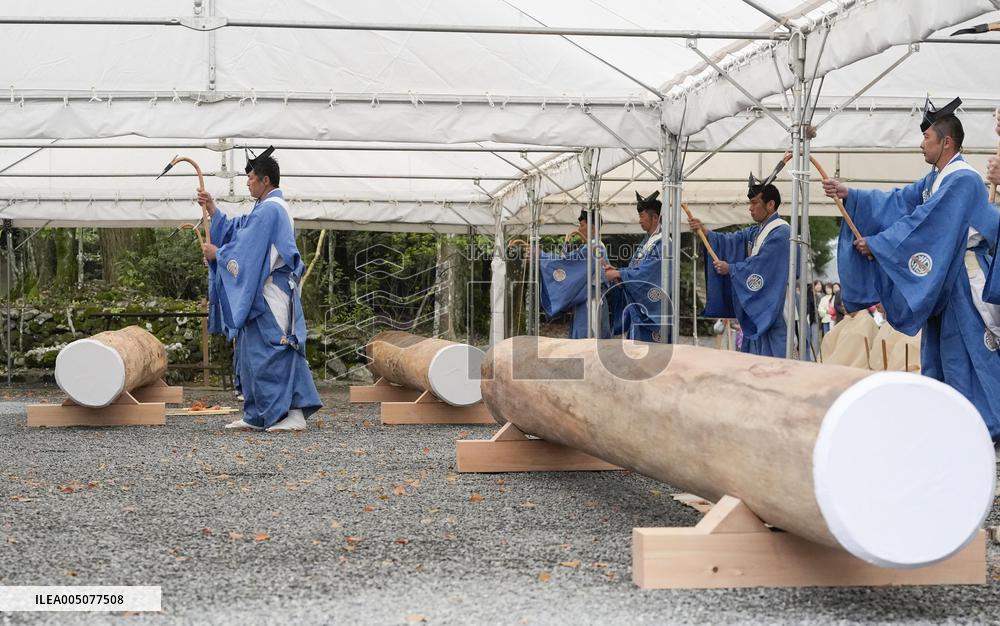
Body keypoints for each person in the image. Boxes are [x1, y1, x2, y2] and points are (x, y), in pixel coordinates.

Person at [822, 96, 1000, 440]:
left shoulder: (962, 179)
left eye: (926, 138)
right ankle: (950, 423)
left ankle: (983, 426)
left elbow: (925, 223)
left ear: (946, 142)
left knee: (968, 353)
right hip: (943, 280)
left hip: (963, 279)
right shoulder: (934, 180)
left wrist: (879, 244)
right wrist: (851, 195)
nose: (921, 144)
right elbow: (899, 202)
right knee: (940, 353)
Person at [198, 146, 322, 432]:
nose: (247, 183)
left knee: (277, 348)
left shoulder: (271, 210)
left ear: (266, 181)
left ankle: (295, 414)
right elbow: (241, 230)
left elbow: (246, 249)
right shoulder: (264, 209)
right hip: (262, 290)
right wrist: (213, 209)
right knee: (252, 353)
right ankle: (258, 414)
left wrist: (219, 255)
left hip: (271, 290)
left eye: (251, 178)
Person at [689, 176, 789, 357]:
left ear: (770, 205)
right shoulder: (757, 231)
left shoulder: (781, 233)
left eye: (755, 203)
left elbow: (762, 266)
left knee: (776, 362)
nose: (750, 208)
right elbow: (731, 240)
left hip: (776, 306)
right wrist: (705, 232)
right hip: (759, 308)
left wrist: (732, 269)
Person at [603, 191, 669, 342]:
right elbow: (634, 270)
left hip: (652, 311)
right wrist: (619, 276)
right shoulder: (647, 243)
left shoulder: (663, 243)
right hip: (638, 308)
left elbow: (647, 275)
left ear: (655, 217)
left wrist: (619, 274)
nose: (639, 221)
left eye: (642, 216)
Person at [538, 210, 611, 339]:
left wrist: (542, 255)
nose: (579, 229)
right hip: (587, 300)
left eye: (582, 225)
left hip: (591, 302)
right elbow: (570, 259)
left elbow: (568, 263)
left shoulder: (595, 248)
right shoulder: (591, 247)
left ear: (592, 228)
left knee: (589, 341)